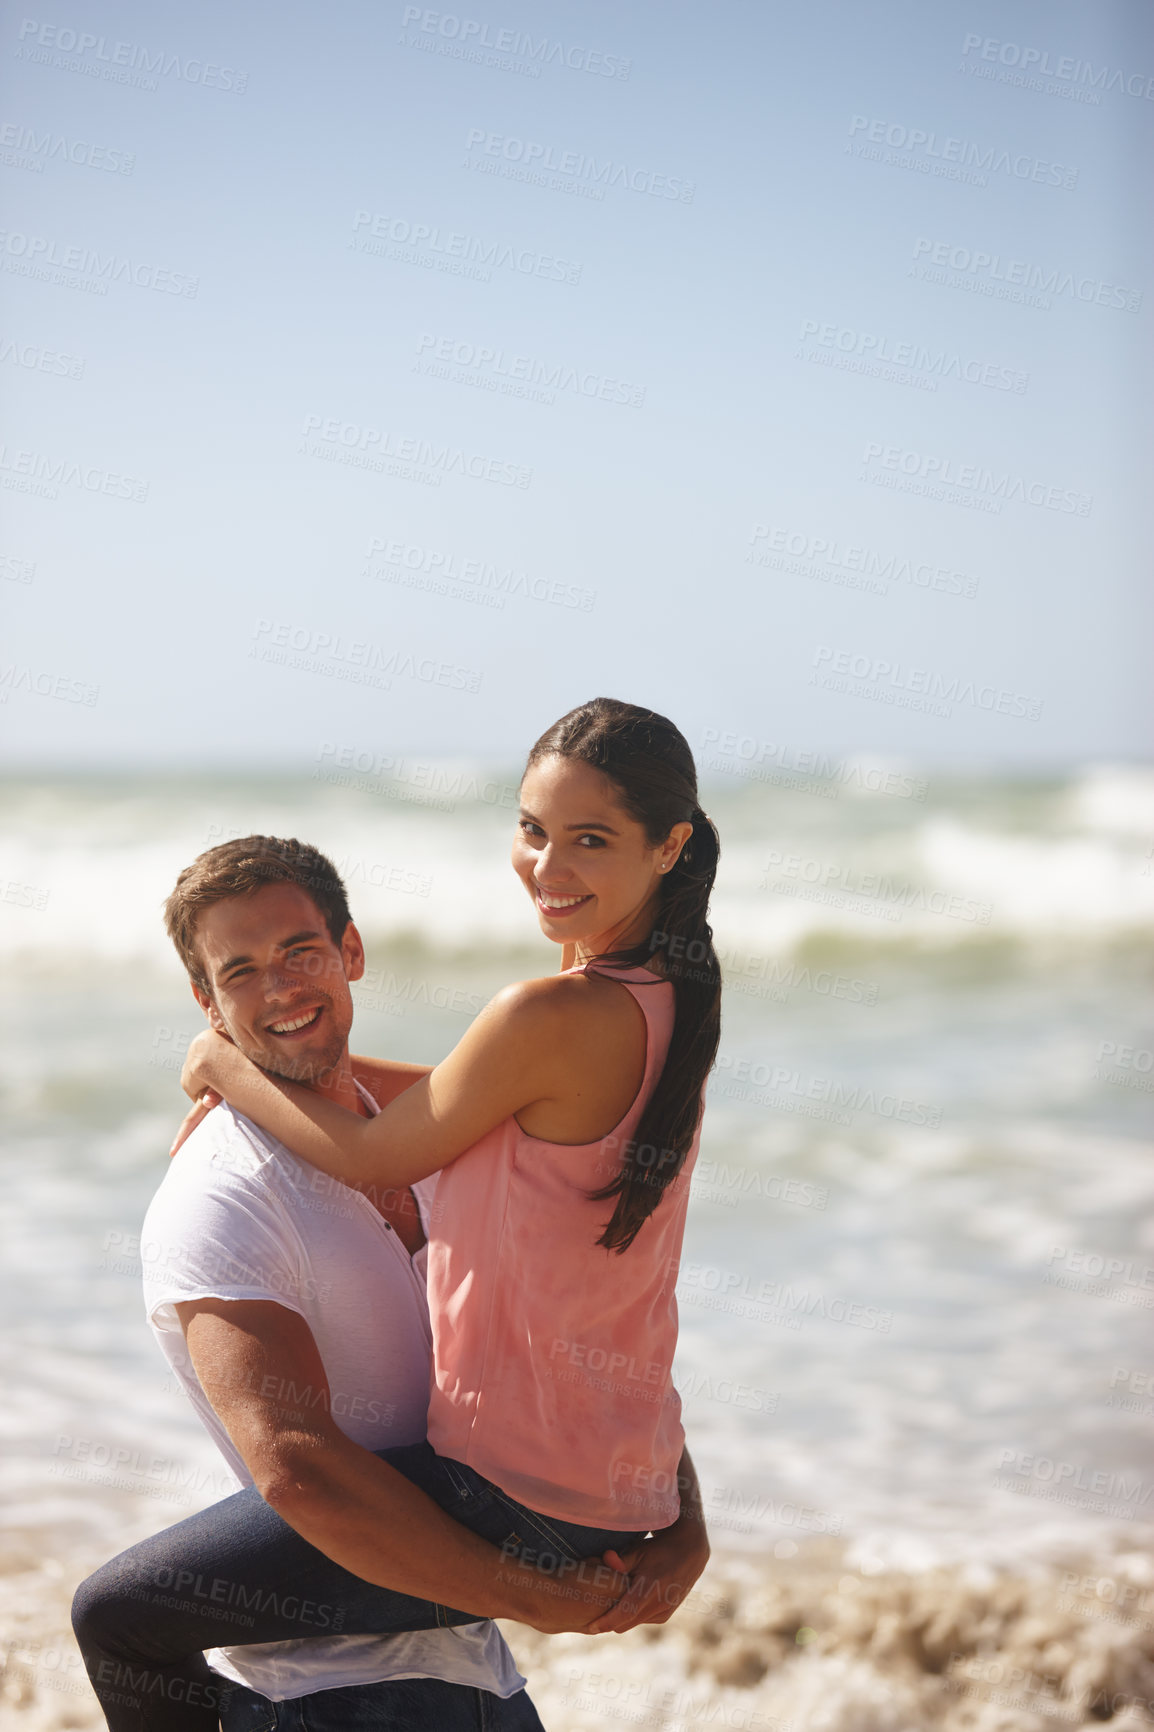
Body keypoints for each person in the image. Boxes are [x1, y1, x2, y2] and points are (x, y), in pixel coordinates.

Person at [76, 696, 720, 1725]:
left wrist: (221, 1065)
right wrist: (682, 1510)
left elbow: (380, 1143)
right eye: (530, 828)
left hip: (508, 1496)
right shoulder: (659, 1009)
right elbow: (456, 1095)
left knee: (114, 1616)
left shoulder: (545, 1011)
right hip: (612, 1488)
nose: (545, 867)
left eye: (587, 839)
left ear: (669, 843)